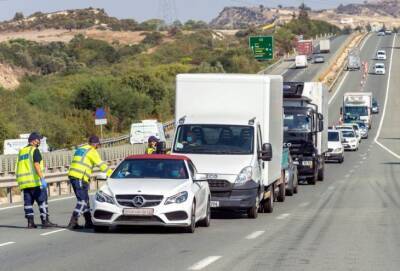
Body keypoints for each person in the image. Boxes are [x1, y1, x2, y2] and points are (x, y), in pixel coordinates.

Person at [67, 136, 112, 229]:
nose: (98, 147)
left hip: (73, 175)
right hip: (80, 176)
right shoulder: (92, 151)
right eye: (98, 145)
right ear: (96, 144)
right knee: (82, 201)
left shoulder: (81, 149)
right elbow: (101, 165)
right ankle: (73, 221)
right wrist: (112, 174)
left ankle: (88, 222)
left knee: (85, 200)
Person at [16, 132, 57, 228]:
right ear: (34, 141)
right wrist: (42, 178)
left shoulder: (22, 152)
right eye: (38, 140)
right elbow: (36, 164)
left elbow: (17, 167)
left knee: (28, 203)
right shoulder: (34, 150)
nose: (39, 142)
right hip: (35, 182)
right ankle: (45, 221)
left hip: (25, 184)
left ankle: (30, 223)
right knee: (42, 201)